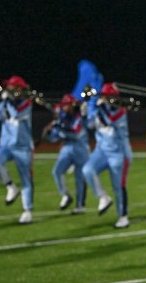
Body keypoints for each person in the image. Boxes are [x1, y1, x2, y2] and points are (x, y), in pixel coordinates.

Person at [82, 82, 133, 228]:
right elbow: (89, 126)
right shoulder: (101, 109)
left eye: (110, 97)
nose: (107, 99)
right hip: (102, 151)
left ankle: (123, 216)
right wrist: (85, 114)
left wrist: (100, 106)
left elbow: (110, 120)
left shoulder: (120, 110)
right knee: (87, 170)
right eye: (106, 97)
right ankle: (103, 197)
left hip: (119, 153)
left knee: (118, 186)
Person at [0, 76, 35, 224]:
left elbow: (16, 113)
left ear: (19, 89)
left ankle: (27, 211)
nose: (8, 89)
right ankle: (10, 187)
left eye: (11, 86)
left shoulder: (26, 103)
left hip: (23, 146)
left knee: (26, 179)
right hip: (6, 145)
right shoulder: (4, 103)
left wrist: (6, 101)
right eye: (8, 86)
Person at [44, 94, 90, 214]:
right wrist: (49, 133)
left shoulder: (79, 117)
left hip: (80, 149)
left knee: (79, 179)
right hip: (67, 148)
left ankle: (80, 206)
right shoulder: (62, 118)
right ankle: (66, 195)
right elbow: (54, 138)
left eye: (66, 106)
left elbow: (74, 134)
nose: (63, 108)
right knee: (57, 171)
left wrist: (58, 128)